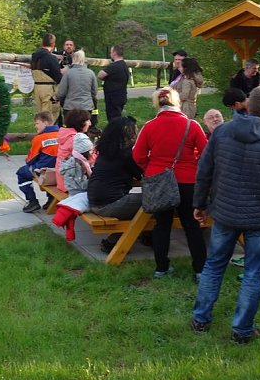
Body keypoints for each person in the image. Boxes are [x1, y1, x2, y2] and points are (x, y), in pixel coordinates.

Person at [190, 86, 260, 344]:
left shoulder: (222, 132)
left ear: (247, 105)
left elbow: (204, 170)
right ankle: (241, 329)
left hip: (225, 211)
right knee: (253, 272)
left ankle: (200, 318)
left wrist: (199, 204)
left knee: (214, 264)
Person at [133, 87, 208, 280]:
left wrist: (152, 168)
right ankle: (200, 269)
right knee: (191, 226)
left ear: (157, 104)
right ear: (178, 102)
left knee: (162, 225)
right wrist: (194, 165)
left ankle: (162, 268)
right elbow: (206, 153)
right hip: (187, 181)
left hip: (160, 181)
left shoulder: (149, 126)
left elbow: (138, 155)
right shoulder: (192, 126)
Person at [88, 116, 144, 253]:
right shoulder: (126, 153)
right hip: (110, 205)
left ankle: (147, 235)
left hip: (95, 201)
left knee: (144, 203)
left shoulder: (106, 151)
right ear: (128, 132)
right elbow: (141, 174)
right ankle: (113, 242)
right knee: (155, 199)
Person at [16, 111, 59, 213]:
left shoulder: (39, 138)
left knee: (22, 172)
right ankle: (51, 199)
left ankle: (32, 201)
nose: (36, 126)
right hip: (61, 170)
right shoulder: (62, 134)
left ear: (45, 122)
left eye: (37, 123)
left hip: (44, 171)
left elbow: (30, 160)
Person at [54, 109, 92, 194]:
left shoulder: (66, 135)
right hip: (71, 184)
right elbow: (89, 159)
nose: (90, 123)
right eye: (88, 121)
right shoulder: (75, 139)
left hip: (62, 180)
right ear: (80, 123)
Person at [55, 50, 98, 121]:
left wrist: (57, 98)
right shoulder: (91, 73)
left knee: (71, 128)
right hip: (86, 107)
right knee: (84, 128)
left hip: (70, 107)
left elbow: (61, 92)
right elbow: (94, 92)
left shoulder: (68, 73)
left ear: (73, 59)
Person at [31, 33, 64, 122]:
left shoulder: (34, 56)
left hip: (37, 87)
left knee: (40, 115)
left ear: (42, 43)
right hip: (48, 89)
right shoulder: (51, 58)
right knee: (49, 116)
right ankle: (48, 134)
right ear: (53, 44)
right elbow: (58, 77)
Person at [98, 45, 129, 121]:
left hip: (113, 97)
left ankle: (115, 132)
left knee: (113, 119)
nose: (110, 54)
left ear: (114, 53)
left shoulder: (114, 66)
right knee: (118, 116)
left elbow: (100, 75)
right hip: (121, 95)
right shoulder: (124, 65)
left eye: (111, 52)